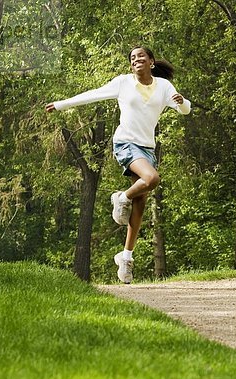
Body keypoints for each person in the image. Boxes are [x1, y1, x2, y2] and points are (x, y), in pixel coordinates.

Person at [45, 47, 191, 284]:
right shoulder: (123, 83)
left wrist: (182, 102)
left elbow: (185, 110)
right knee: (152, 179)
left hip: (147, 148)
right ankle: (121, 197)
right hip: (125, 143)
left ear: (151, 62)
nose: (136, 60)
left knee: (141, 202)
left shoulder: (163, 87)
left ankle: (125, 257)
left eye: (141, 56)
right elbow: (94, 94)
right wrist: (61, 104)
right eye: (132, 58)